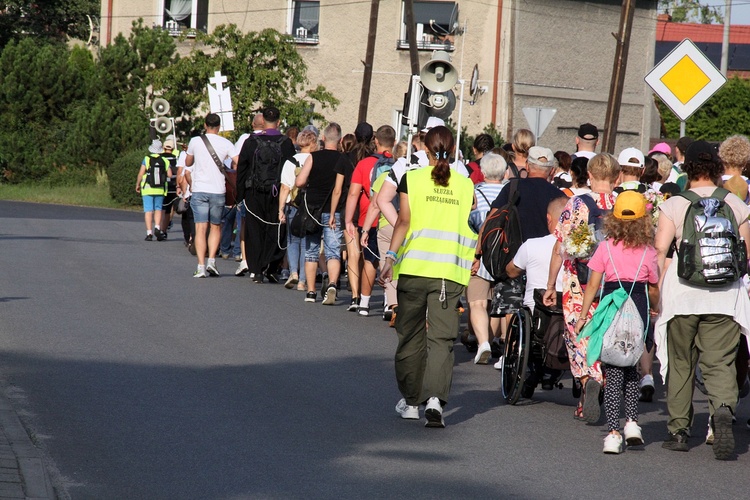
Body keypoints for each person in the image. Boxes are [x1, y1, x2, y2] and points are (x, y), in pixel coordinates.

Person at [654, 140, 750, 460]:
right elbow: (746, 255)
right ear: (717, 168)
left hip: (683, 295)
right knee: (719, 361)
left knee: (682, 361)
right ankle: (721, 409)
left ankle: (679, 431)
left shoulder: (674, 205)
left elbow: (660, 253)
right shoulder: (735, 204)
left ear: (688, 168)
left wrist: (657, 292)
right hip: (725, 296)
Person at [380, 125, 476, 428]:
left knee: (410, 336)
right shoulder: (465, 185)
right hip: (449, 272)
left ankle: (410, 402)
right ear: (452, 149)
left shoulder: (412, 178)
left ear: (425, 148)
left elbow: (404, 221)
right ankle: (435, 399)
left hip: (414, 269)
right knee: (442, 339)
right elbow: (470, 220)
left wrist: (390, 257)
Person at [575, 191, 660, 454]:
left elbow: (592, 285)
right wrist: (655, 308)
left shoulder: (605, 248)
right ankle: (632, 423)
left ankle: (613, 433)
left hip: (612, 306)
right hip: (638, 306)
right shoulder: (648, 251)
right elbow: (653, 287)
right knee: (632, 367)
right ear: (644, 221)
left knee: (612, 373)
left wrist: (582, 316)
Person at [543, 153, 621, 422]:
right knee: (609, 331)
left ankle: (589, 377)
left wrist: (551, 284)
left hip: (580, 280)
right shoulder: (626, 205)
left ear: (589, 175)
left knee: (581, 332)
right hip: (616, 281)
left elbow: (560, 246)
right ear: (617, 177)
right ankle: (604, 384)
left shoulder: (577, 203)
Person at [237, 106, 296, 283]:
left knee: (254, 230)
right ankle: (271, 265)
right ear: (278, 122)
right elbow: (291, 170)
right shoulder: (285, 143)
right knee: (275, 228)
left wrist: (240, 196)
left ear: (262, 121)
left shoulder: (251, 141)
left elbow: (242, 169)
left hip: (254, 192)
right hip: (276, 193)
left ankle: (255, 270)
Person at [343, 125, 396, 316]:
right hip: (394, 219)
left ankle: (364, 302)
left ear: (376, 141)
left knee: (370, 261)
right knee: (390, 260)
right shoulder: (400, 164)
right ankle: (388, 302)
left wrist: (348, 220)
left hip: (370, 218)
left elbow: (353, 192)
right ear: (394, 143)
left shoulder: (365, 164)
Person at [295, 122, 345, 304]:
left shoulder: (313, 157)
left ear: (323, 139)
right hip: (334, 211)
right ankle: (332, 284)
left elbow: (300, 182)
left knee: (311, 251)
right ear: (339, 140)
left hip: (312, 210)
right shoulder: (343, 160)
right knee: (333, 252)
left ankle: (310, 292)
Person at [185, 113, 239, 277]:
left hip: (200, 189)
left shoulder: (195, 141)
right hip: (218, 190)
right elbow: (238, 161)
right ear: (219, 126)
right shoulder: (226, 143)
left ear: (205, 124)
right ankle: (212, 262)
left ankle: (201, 266)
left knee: (201, 228)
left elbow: (188, 163)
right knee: (216, 226)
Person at [466, 152, 508, 363]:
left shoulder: (475, 192)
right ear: (504, 172)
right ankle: (494, 341)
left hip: (480, 253)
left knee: (478, 303)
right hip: (506, 255)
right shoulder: (512, 193)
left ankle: (483, 342)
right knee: (500, 305)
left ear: (482, 172)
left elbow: (470, 222)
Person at [278, 128, 319, 291]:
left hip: (292, 205)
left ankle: (293, 272)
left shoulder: (290, 161)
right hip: (310, 206)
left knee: (292, 240)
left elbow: (284, 187)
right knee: (306, 243)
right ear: (313, 143)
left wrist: (281, 209)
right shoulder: (315, 160)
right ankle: (303, 281)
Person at [234, 113, 267, 277]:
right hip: (270, 190)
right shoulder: (276, 140)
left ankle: (246, 259)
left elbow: (238, 164)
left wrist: (239, 194)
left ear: (253, 124)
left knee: (246, 225)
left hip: (250, 189)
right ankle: (263, 261)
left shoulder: (247, 140)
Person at [136, 140, 172, 242]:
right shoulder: (165, 160)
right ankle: (157, 227)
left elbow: (140, 173)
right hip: (160, 189)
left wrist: (138, 184)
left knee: (148, 210)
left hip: (147, 189)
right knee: (158, 209)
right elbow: (169, 175)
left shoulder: (146, 159)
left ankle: (149, 233)